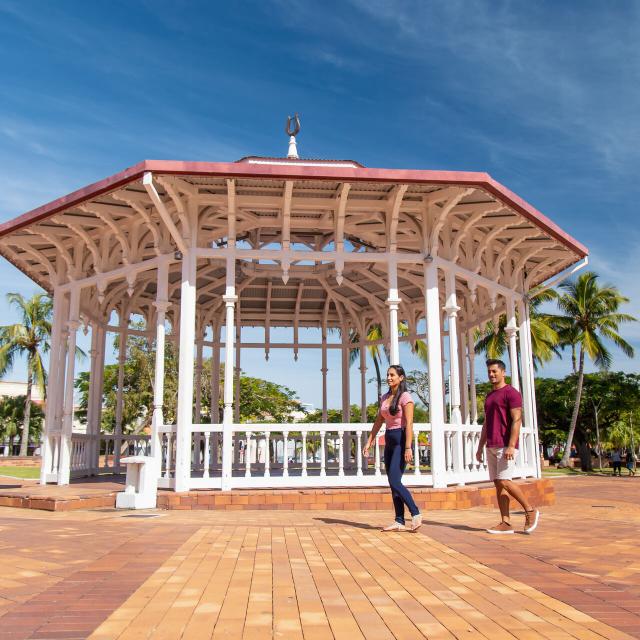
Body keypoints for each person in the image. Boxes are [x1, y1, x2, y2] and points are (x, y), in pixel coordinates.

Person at [476, 359, 539, 535]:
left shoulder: (511, 393)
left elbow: (517, 419)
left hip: (506, 445)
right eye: (489, 371)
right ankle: (505, 521)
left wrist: (511, 445)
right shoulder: (489, 396)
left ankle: (530, 510)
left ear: (503, 372)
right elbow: (487, 423)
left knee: (505, 480)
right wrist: (480, 446)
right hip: (492, 444)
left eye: (494, 371)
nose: (491, 374)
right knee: (498, 484)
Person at [363, 364, 422, 532]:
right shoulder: (385, 397)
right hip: (389, 438)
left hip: (401, 439)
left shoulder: (405, 397)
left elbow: (409, 423)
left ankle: (415, 513)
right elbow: (379, 421)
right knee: (392, 482)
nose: (389, 378)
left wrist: (408, 447)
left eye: (392, 375)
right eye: (388, 375)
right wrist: (370, 440)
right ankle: (399, 520)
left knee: (395, 481)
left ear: (401, 378)